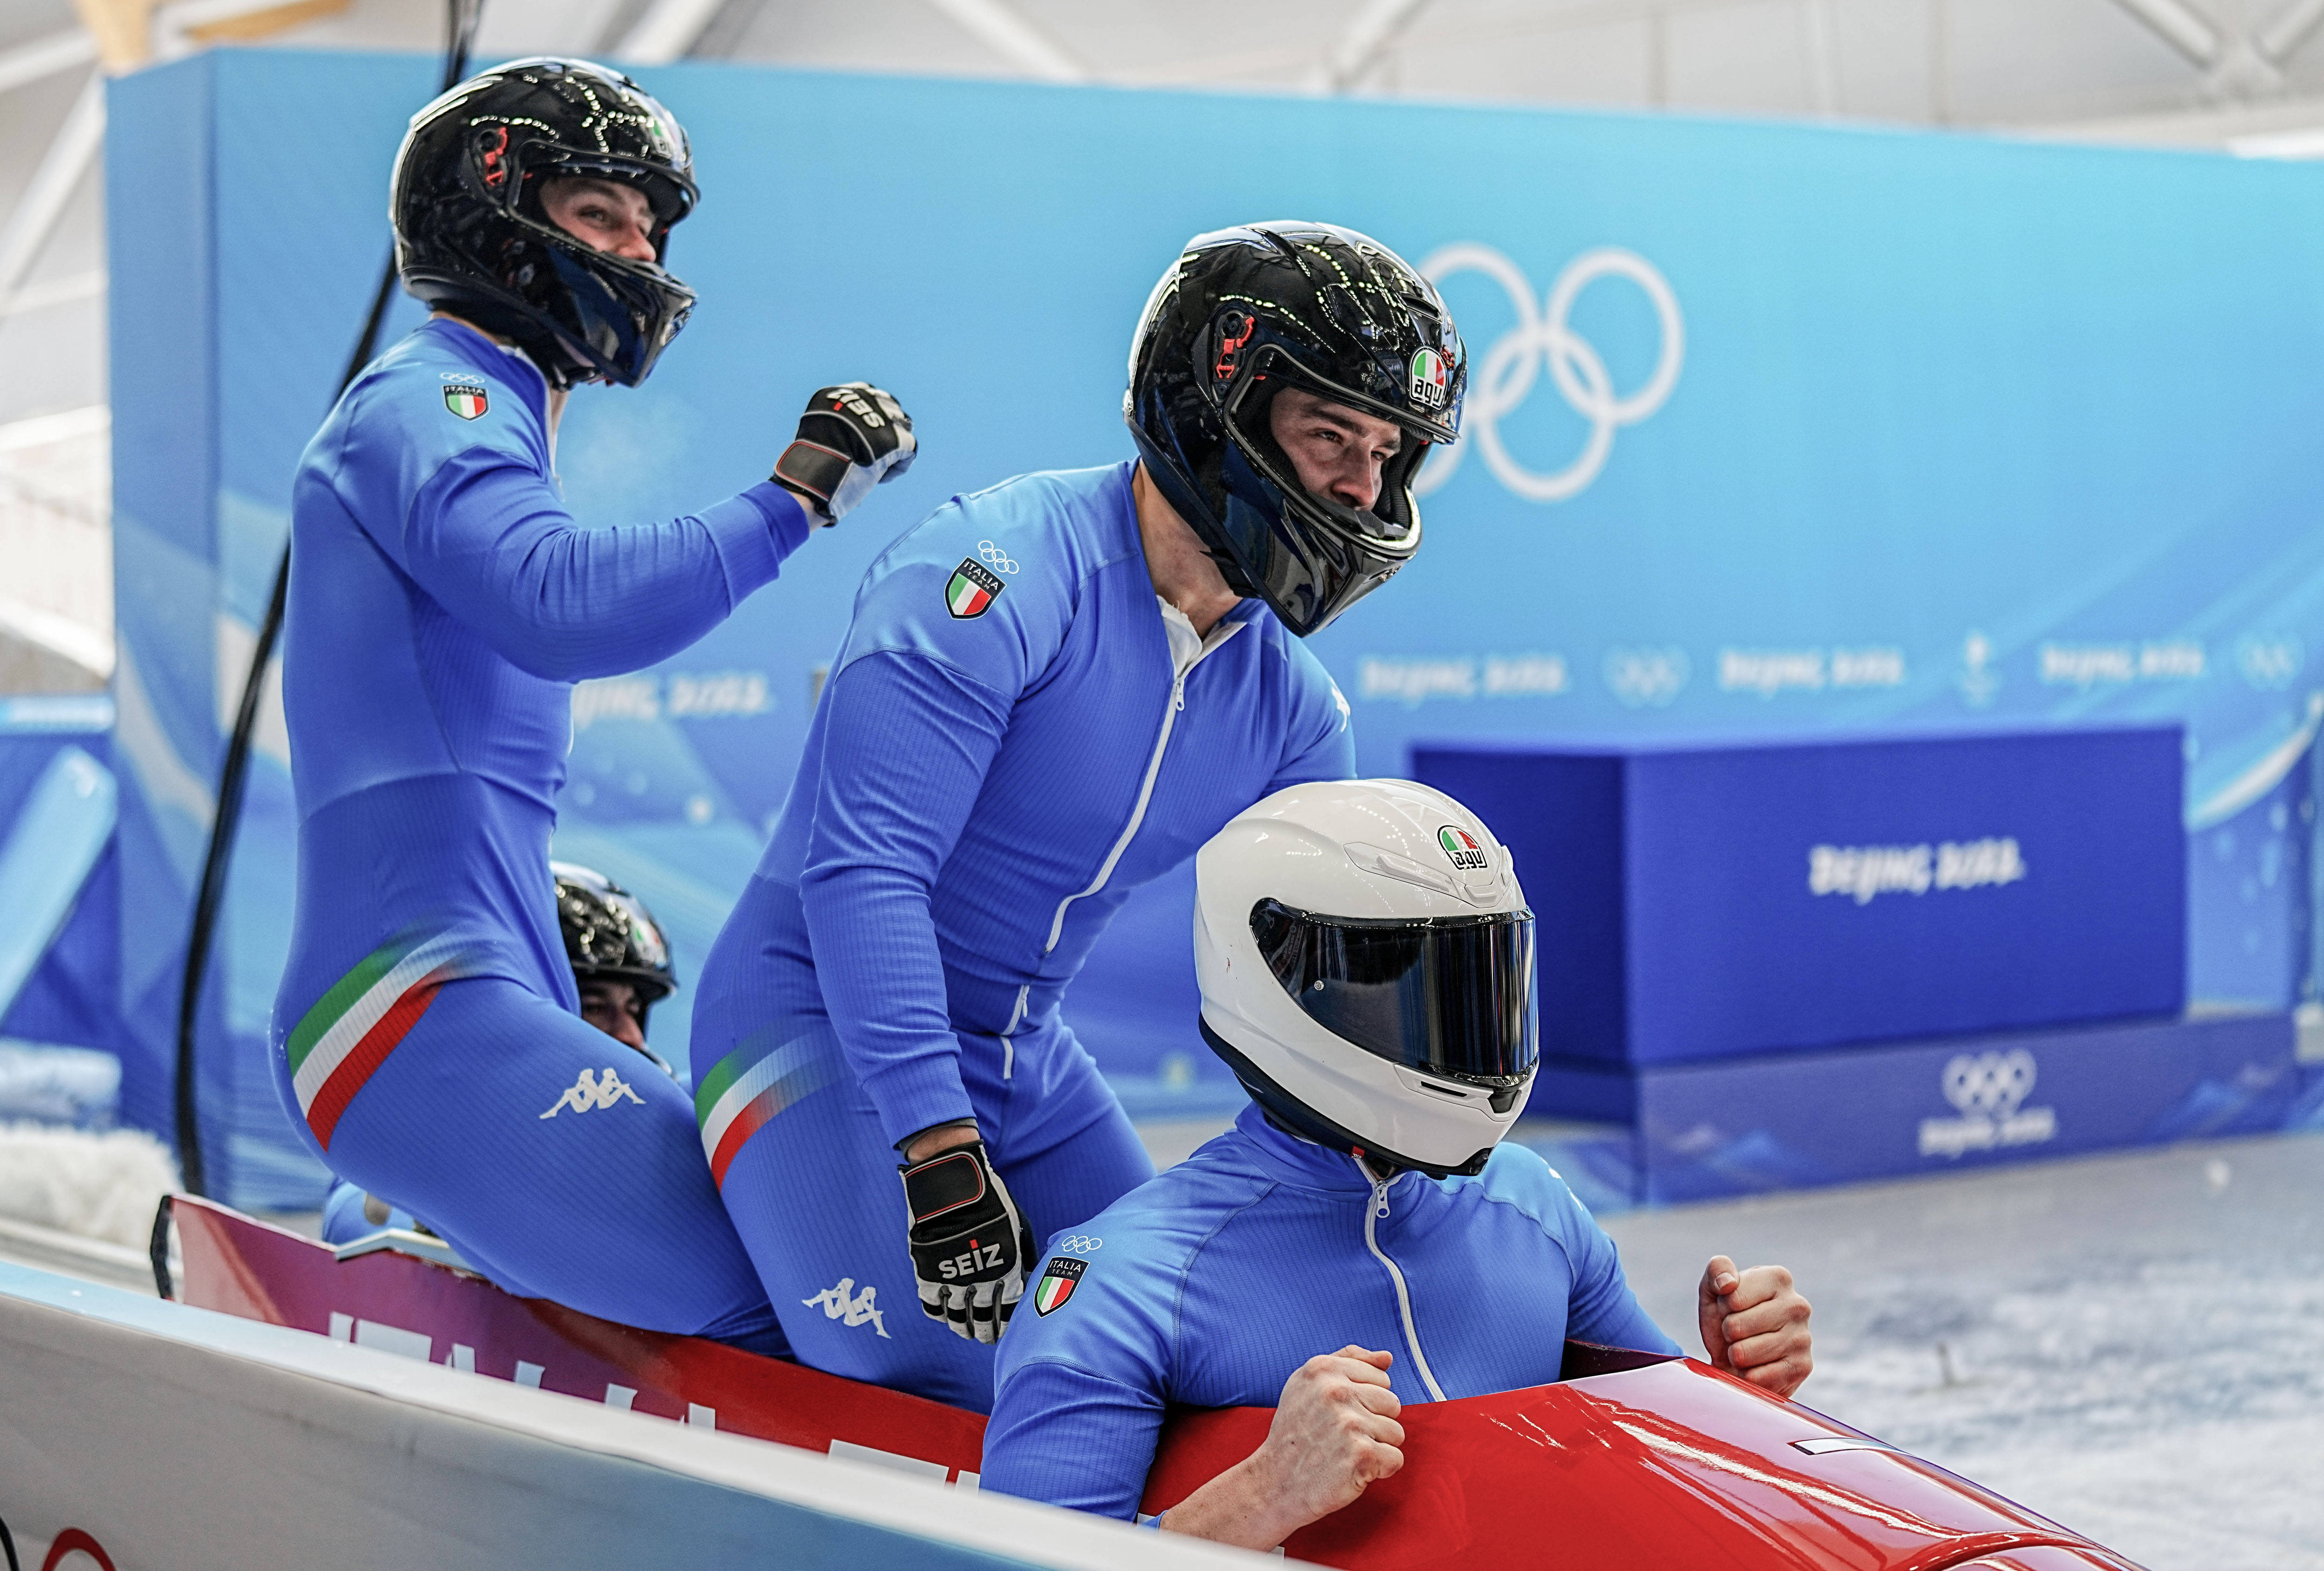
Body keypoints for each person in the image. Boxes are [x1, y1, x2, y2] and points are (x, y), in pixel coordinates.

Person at [688, 221, 1470, 1406]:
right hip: (815, 1024)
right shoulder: (993, 573)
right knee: (948, 1383)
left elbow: (1329, 1000)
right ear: (1219, 407)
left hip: (1024, 1059)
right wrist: (941, 1156)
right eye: (1328, 437)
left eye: (1384, 450)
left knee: (1202, 1367)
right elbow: (866, 876)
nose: (1362, 487)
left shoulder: (1296, 709)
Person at [269, 57, 914, 1347]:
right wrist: (800, 492)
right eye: (599, 215)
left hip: (446, 1003)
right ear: (496, 215)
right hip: (407, 1011)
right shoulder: (427, 400)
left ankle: (442, 1243)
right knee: (805, 1298)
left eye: (651, 225)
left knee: (799, 1250)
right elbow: (562, 605)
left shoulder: (489, 409)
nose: (639, 250)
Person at [981, 779, 1815, 1546]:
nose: (1471, 1037)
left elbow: (1655, 1476)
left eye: (1481, 986)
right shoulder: (1120, 1279)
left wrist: (1734, 1386)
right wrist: (1265, 1492)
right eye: (1423, 995)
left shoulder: (1534, 1206)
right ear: (1278, 977)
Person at [319, 862, 685, 1244]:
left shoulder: (663, 1128)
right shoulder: (404, 1146)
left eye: (633, 1009)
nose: (632, 1037)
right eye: (594, 1006)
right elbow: (358, 1223)